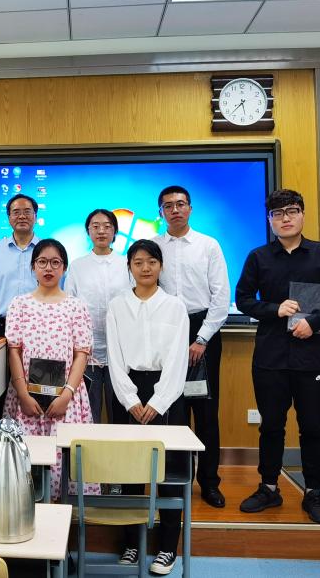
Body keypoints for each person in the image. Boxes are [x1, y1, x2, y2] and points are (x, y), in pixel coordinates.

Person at [235, 189, 320, 525]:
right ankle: (269, 487)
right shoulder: (258, 257)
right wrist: (275, 309)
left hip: (312, 355)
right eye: (277, 213)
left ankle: (313, 492)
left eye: (291, 211)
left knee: (312, 426)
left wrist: (314, 322)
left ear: (302, 214)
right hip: (270, 356)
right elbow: (243, 299)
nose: (285, 218)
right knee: (271, 425)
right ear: (269, 220)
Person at [106, 239, 190, 575]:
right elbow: (114, 358)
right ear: (129, 266)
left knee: (168, 473)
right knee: (129, 472)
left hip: (166, 392)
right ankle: (130, 543)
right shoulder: (117, 306)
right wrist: (130, 400)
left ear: (161, 266)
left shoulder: (175, 306)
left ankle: (167, 548)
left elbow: (178, 359)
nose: (145, 268)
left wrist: (157, 402)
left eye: (151, 262)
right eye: (138, 262)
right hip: (127, 390)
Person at [152, 185, 230, 508]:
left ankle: (209, 483)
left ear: (190, 208)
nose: (175, 210)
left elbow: (221, 297)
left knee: (206, 412)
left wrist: (201, 339)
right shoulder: (154, 247)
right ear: (161, 212)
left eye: (181, 204)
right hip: (165, 331)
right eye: (168, 206)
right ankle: (177, 480)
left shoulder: (208, 245)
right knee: (173, 411)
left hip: (203, 333)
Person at [2, 238, 95, 501]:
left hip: (67, 397)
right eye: (42, 262)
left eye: (55, 262)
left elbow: (82, 353)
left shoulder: (76, 305)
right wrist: (23, 394)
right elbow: (14, 350)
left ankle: (64, 520)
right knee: (26, 467)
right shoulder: (19, 304)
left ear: (64, 268)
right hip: (26, 395)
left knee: (64, 463)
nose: (48, 268)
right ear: (33, 267)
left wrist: (66, 395)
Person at [65, 208, 131, 423]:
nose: (101, 231)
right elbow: (69, 306)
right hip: (86, 352)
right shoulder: (77, 266)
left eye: (107, 226)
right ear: (88, 231)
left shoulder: (127, 264)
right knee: (88, 413)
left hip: (120, 351)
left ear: (115, 231)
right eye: (95, 226)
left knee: (119, 413)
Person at [0, 194, 40, 341]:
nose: (22, 216)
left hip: (39, 326)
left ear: (35, 216)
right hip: (1, 327)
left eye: (27, 212)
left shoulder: (47, 250)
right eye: (16, 212)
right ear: (9, 217)